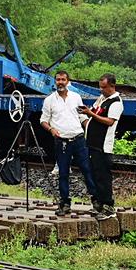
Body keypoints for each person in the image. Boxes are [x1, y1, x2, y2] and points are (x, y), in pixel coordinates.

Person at [40, 70, 97, 215]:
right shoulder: (49, 100)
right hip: (62, 142)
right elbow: (43, 120)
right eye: (58, 80)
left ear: (68, 81)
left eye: (63, 79)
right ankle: (65, 203)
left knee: (87, 169)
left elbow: (82, 117)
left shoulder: (76, 97)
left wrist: (89, 130)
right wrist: (51, 129)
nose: (60, 82)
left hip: (78, 139)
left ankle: (96, 201)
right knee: (63, 173)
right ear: (55, 82)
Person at [80, 73, 122, 221]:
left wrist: (90, 113)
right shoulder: (102, 99)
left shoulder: (116, 102)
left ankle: (109, 207)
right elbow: (94, 116)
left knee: (103, 177)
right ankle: (99, 204)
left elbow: (109, 121)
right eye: (100, 87)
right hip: (93, 144)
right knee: (95, 175)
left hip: (103, 146)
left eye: (104, 87)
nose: (101, 90)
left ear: (112, 86)